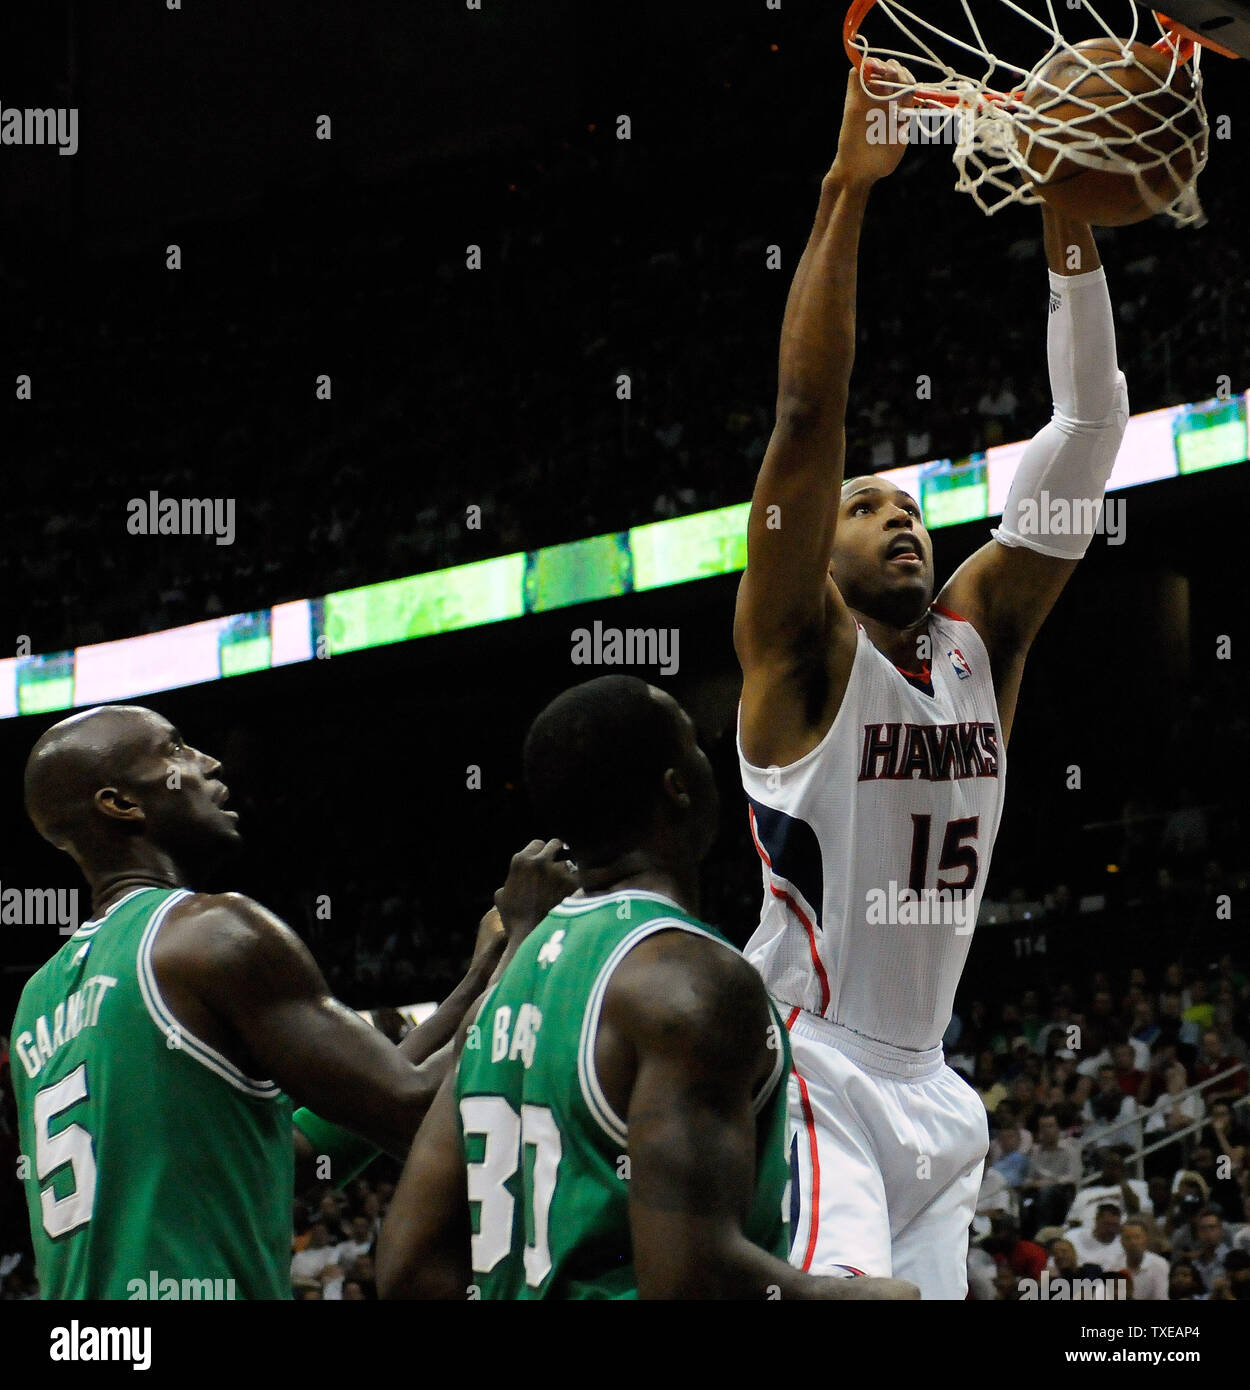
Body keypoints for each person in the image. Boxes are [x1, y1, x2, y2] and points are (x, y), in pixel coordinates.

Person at [731, 59, 1128, 1297]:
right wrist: (848, 188)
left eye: (910, 508)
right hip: (804, 1060)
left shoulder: (979, 638)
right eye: (864, 508)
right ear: (820, 551)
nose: (897, 520)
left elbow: (1090, 426)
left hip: (931, 1083)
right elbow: (807, 415)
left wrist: (1063, 210)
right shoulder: (801, 655)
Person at [375, 676, 917, 1300]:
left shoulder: (502, 992)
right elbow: (690, 1278)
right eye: (692, 744)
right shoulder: (690, 983)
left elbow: (409, 1269)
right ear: (677, 788)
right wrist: (852, 1293)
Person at [9, 704, 554, 1299]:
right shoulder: (210, 932)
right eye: (176, 749)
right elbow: (412, 1109)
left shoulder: (34, 1002)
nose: (209, 762)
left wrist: (480, 974)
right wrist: (527, 940)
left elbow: (290, 1157)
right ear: (121, 804)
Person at [1020, 1111, 1080, 1233]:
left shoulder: (1069, 1149)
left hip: (1063, 1191)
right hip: (1038, 1189)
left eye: (1050, 1126)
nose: (1047, 1130)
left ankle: (1042, 1230)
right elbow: (1030, 1177)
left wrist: (1048, 1183)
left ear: (1058, 1128)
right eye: (1043, 1127)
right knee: (1020, 1195)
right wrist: (1029, 1184)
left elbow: (1072, 1177)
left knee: (1046, 1191)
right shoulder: (1036, 1151)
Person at [1069, 1202, 1127, 1273]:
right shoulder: (1073, 1236)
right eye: (1106, 1224)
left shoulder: (1124, 1245)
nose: (1110, 1229)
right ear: (1096, 1220)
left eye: (1114, 1225)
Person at [1120, 1218, 1168, 1301]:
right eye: (1128, 1238)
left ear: (1146, 1239)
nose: (1133, 1242)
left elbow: (1160, 1298)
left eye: (1137, 1237)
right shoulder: (1113, 1266)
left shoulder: (1159, 1265)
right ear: (1121, 1242)